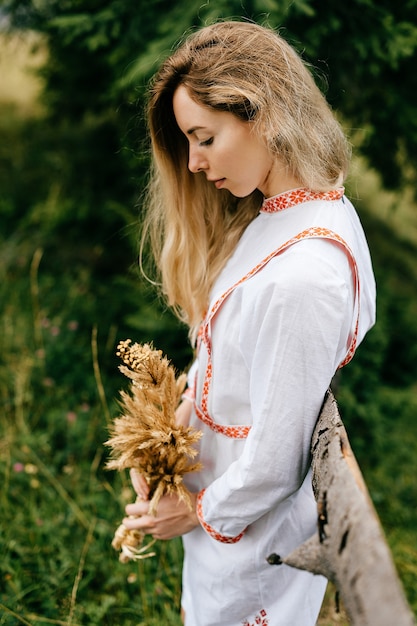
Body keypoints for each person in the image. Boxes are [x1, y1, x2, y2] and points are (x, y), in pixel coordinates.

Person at [122, 20, 376, 626]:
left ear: (259, 112)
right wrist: (170, 433)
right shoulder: (283, 214)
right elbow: (227, 360)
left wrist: (195, 512)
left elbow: (277, 459)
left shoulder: (305, 275)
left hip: (250, 535)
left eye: (204, 138)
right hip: (223, 512)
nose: (192, 163)